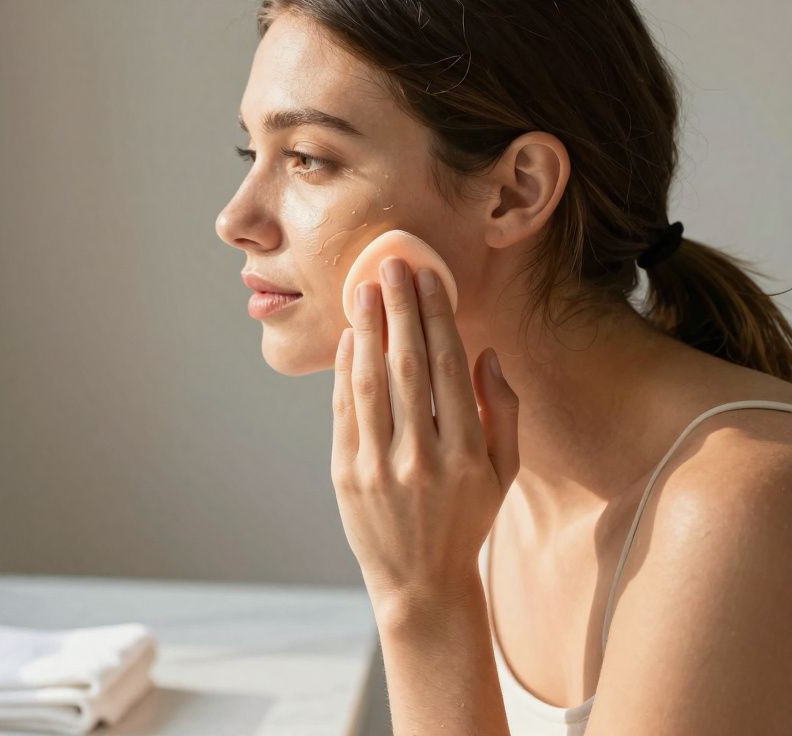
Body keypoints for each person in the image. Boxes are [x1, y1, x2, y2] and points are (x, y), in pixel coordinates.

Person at [214, 1, 792, 733]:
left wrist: (423, 602)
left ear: (517, 189)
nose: (236, 218)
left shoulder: (738, 507)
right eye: (251, 154)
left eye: (308, 159)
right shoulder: (470, 483)